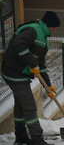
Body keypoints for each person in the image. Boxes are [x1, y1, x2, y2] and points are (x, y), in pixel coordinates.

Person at [1, 11, 60, 145]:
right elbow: (19, 44)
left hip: (20, 72)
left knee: (22, 105)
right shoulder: (33, 30)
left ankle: (21, 136)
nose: (56, 31)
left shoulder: (43, 37)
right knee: (29, 106)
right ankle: (37, 140)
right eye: (56, 28)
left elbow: (41, 65)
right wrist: (32, 63)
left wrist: (48, 86)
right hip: (14, 71)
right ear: (50, 26)